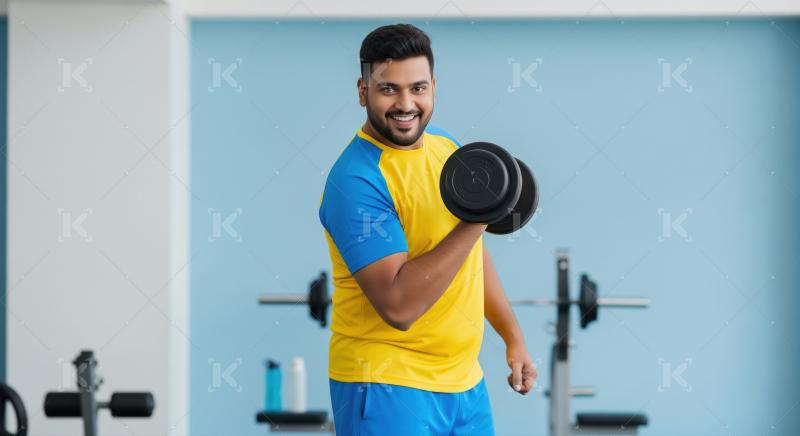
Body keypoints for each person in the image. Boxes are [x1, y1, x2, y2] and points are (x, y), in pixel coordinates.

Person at [318, 23, 536, 435]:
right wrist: (477, 218)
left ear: (434, 86)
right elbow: (399, 306)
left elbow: (471, 256)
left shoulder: (445, 149)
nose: (406, 103)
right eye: (388, 89)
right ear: (363, 91)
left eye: (417, 88)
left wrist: (513, 337)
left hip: (464, 382)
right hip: (387, 382)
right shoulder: (355, 182)